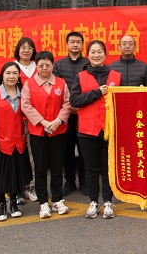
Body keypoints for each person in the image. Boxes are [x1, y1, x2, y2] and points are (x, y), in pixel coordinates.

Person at [70, 40, 121, 219]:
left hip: (109, 129)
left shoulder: (116, 75)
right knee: (90, 168)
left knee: (107, 167)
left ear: (105, 55)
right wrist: (97, 93)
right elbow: (74, 100)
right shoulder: (80, 76)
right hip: (87, 129)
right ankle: (93, 201)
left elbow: (125, 99)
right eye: (93, 52)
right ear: (88, 55)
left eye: (99, 52)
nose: (96, 55)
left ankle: (107, 201)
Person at [21, 51, 72, 219]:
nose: (44, 68)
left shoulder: (61, 83)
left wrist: (58, 120)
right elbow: (26, 106)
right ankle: (43, 202)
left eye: (47, 65)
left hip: (58, 131)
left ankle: (57, 199)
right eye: (41, 65)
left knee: (57, 166)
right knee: (40, 168)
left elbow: (67, 103)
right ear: (36, 66)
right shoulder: (29, 84)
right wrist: (43, 122)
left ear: (53, 65)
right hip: (38, 131)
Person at [0, 62, 32, 221]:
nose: (11, 76)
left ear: (19, 76)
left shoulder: (23, 94)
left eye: (15, 73)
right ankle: (2, 206)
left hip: (18, 143)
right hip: (1, 143)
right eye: (8, 73)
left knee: (15, 175)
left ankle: (13, 204)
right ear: (2, 75)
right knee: (1, 176)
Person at [53, 31, 89, 196]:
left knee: (84, 149)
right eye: (72, 42)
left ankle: (84, 181)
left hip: (84, 114)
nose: (75, 44)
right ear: (66, 44)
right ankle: (69, 181)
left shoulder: (88, 63)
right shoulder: (59, 65)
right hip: (66, 115)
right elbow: (56, 89)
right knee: (66, 149)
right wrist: (69, 107)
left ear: (82, 45)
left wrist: (80, 105)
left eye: (78, 42)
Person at [13, 37, 38, 203]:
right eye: (23, 47)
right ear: (18, 50)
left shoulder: (38, 67)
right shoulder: (12, 68)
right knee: (17, 152)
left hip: (34, 118)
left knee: (32, 155)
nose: (26, 50)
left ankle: (31, 186)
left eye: (29, 48)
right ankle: (17, 189)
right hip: (15, 117)